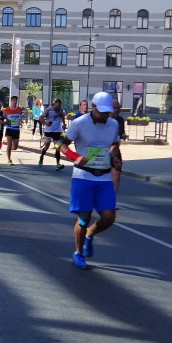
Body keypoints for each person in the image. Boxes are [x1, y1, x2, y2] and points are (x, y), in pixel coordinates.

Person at [58, 92, 121, 269]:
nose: (106, 115)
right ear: (93, 107)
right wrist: (75, 156)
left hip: (104, 177)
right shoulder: (80, 123)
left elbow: (114, 144)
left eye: (108, 112)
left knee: (109, 217)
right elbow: (60, 143)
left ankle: (89, 235)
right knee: (84, 218)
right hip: (83, 176)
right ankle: (78, 253)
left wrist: (115, 157)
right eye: (102, 112)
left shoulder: (113, 124)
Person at [38, 99, 68, 171]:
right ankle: (41, 158)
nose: (58, 108)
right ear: (55, 104)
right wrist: (46, 123)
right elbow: (40, 118)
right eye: (57, 106)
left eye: (59, 106)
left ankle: (58, 164)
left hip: (56, 131)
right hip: (48, 131)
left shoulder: (61, 109)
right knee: (46, 147)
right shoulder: (48, 109)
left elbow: (62, 116)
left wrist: (64, 124)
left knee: (57, 147)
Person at [110, 99, 128, 195]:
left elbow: (121, 133)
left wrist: (123, 135)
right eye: (114, 108)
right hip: (102, 150)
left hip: (115, 149)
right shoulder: (104, 118)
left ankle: (112, 197)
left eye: (118, 108)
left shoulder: (120, 120)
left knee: (116, 173)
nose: (116, 110)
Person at [4, 96, 23, 166]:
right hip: (9, 128)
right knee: (9, 145)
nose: (15, 102)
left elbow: (20, 116)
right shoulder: (7, 109)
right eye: (14, 100)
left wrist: (21, 122)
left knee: (15, 147)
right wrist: (4, 123)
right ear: (11, 101)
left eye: (16, 100)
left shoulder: (19, 109)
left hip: (16, 129)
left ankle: (7, 150)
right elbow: (4, 117)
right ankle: (9, 159)